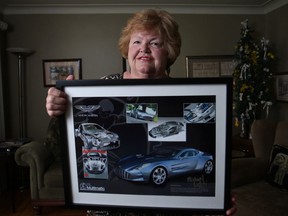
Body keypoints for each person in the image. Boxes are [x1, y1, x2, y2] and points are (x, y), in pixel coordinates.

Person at [46, 9, 236, 216]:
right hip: (108, 207)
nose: (144, 49)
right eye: (136, 42)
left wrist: (217, 200)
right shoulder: (98, 91)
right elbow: (58, 148)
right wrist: (59, 112)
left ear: (169, 51)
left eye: (155, 43)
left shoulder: (190, 97)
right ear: (126, 49)